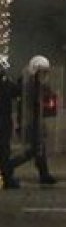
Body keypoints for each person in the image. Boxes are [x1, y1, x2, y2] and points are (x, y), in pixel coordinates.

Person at [8, 55, 56, 185]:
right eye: (42, 71)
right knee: (33, 150)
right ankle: (8, 166)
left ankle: (44, 174)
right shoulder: (27, 85)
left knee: (39, 149)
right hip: (29, 122)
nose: (44, 75)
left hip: (36, 121)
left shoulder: (35, 84)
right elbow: (31, 104)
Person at [0, 57, 21, 190]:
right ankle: (7, 178)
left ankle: (7, 177)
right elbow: (17, 91)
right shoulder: (5, 84)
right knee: (4, 151)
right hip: (3, 122)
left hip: (4, 122)